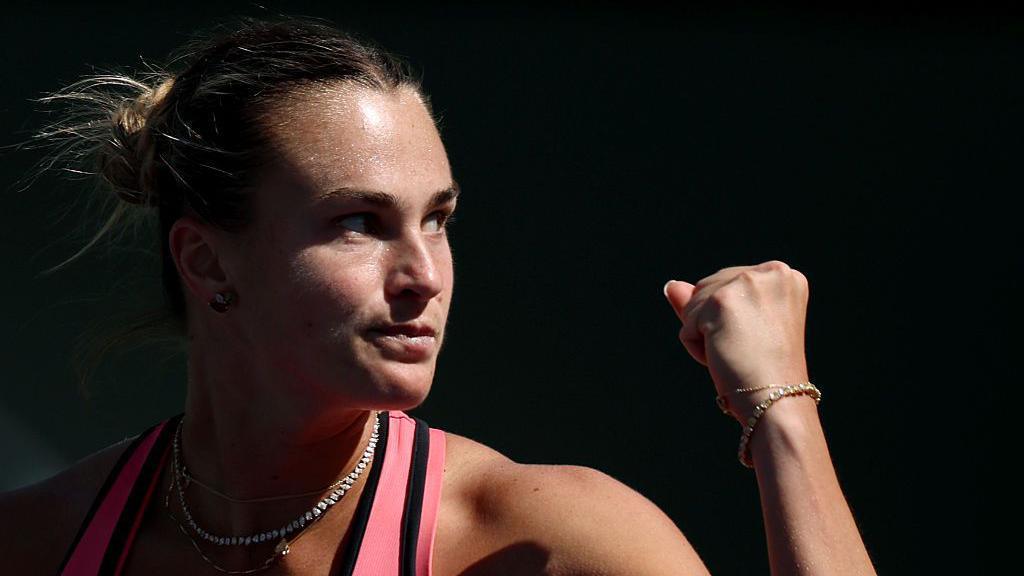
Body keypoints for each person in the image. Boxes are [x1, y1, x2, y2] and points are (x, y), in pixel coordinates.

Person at [0, 15, 878, 576]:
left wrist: (781, 412)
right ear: (207, 261)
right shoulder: (37, 542)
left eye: (439, 219)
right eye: (358, 222)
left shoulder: (548, 540)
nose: (423, 274)